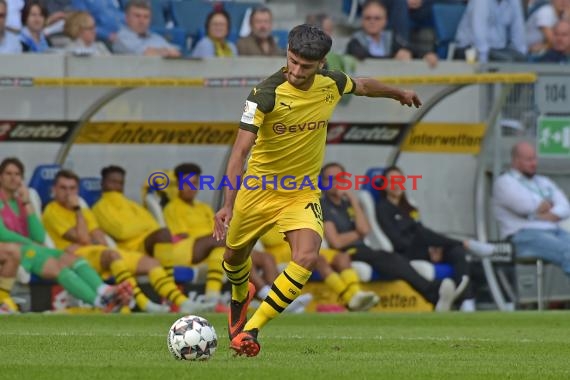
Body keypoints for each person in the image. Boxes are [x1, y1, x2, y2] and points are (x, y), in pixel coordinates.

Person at [212, 23, 422, 357]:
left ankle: (251, 330)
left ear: (321, 63)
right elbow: (239, 153)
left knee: (307, 257)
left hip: (302, 193)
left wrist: (398, 92)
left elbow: (364, 85)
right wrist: (227, 204)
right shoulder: (264, 94)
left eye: (305, 66)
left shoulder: (331, 83)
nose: (295, 71)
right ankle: (240, 294)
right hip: (258, 190)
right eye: (292, 61)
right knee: (233, 258)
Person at [42, 169, 205, 313]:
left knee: (151, 263)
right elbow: (84, 238)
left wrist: (92, 239)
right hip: (74, 258)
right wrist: (77, 210)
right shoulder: (52, 210)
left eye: (72, 188)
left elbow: (98, 235)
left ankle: (182, 302)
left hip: (97, 253)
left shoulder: (85, 210)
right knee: (112, 255)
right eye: (63, 188)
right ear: (54, 189)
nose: (68, 193)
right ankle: (143, 303)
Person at [164, 162, 312, 313]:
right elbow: (181, 235)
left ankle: (282, 299)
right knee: (232, 242)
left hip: (216, 246)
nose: (192, 187)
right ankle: (266, 294)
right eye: (187, 183)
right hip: (189, 249)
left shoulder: (204, 208)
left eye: (195, 183)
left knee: (265, 257)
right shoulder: (172, 208)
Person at [321, 162, 464, 313]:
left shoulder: (348, 203)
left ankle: (432, 294)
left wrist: (353, 201)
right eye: (330, 178)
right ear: (323, 182)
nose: (335, 182)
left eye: (339, 178)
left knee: (393, 260)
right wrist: (358, 233)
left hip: (362, 248)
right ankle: (432, 291)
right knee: (390, 258)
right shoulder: (324, 205)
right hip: (345, 252)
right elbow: (336, 241)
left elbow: (365, 229)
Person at [0, 158, 131, 312]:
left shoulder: (21, 201)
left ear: (22, 179)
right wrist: (30, 243)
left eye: (17, 174)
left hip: (32, 248)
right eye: (8, 173)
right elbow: (3, 234)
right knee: (59, 268)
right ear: (1, 176)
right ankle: (101, 302)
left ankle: (104, 291)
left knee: (74, 259)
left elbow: (39, 236)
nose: (13, 177)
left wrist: (27, 203)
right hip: (15, 250)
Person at [92, 165, 218, 311]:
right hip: (132, 248)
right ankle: (174, 296)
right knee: (164, 234)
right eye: (112, 182)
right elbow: (122, 231)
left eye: (120, 183)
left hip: (150, 246)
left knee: (164, 234)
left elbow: (152, 224)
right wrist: (144, 226)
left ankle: (190, 299)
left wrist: (142, 226)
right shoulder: (100, 207)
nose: (117, 186)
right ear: (103, 184)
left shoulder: (131, 204)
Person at [376, 166, 498, 311]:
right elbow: (397, 239)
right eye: (391, 181)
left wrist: (433, 247)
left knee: (456, 251)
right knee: (422, 233)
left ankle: (467, 301)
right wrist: (425, 243)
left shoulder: (409, 206)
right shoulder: (382, 207)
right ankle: (467, 243)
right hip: (403, 252)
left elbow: (422, 232)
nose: (396, 184)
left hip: (422, 247)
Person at [493, 141, 570, 276]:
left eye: (535, 158)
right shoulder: (504, 182)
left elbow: (565, 207)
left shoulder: (543, 181)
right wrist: (544, 206)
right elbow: (524, 207)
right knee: (567, 251)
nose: (534, 163)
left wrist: (541, 213)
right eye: (529, 160)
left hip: (554, 231)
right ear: (516, 161)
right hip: (523, 235)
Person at [260, 225, 379, 311]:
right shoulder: (263, 213)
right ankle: (349, 298)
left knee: (341, 257)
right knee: (318, 258)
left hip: (304, 248)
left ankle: (357, 293)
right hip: (282, 253)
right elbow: (270, 239)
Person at [112, 0, 180, 57]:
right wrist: (165, 52)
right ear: (127, 18)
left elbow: (175, 53)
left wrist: (166, 52)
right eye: (137, 16)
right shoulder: (121, 38)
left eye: (146, 17)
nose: (142, 21)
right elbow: (144, 53)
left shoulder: (155, 37)